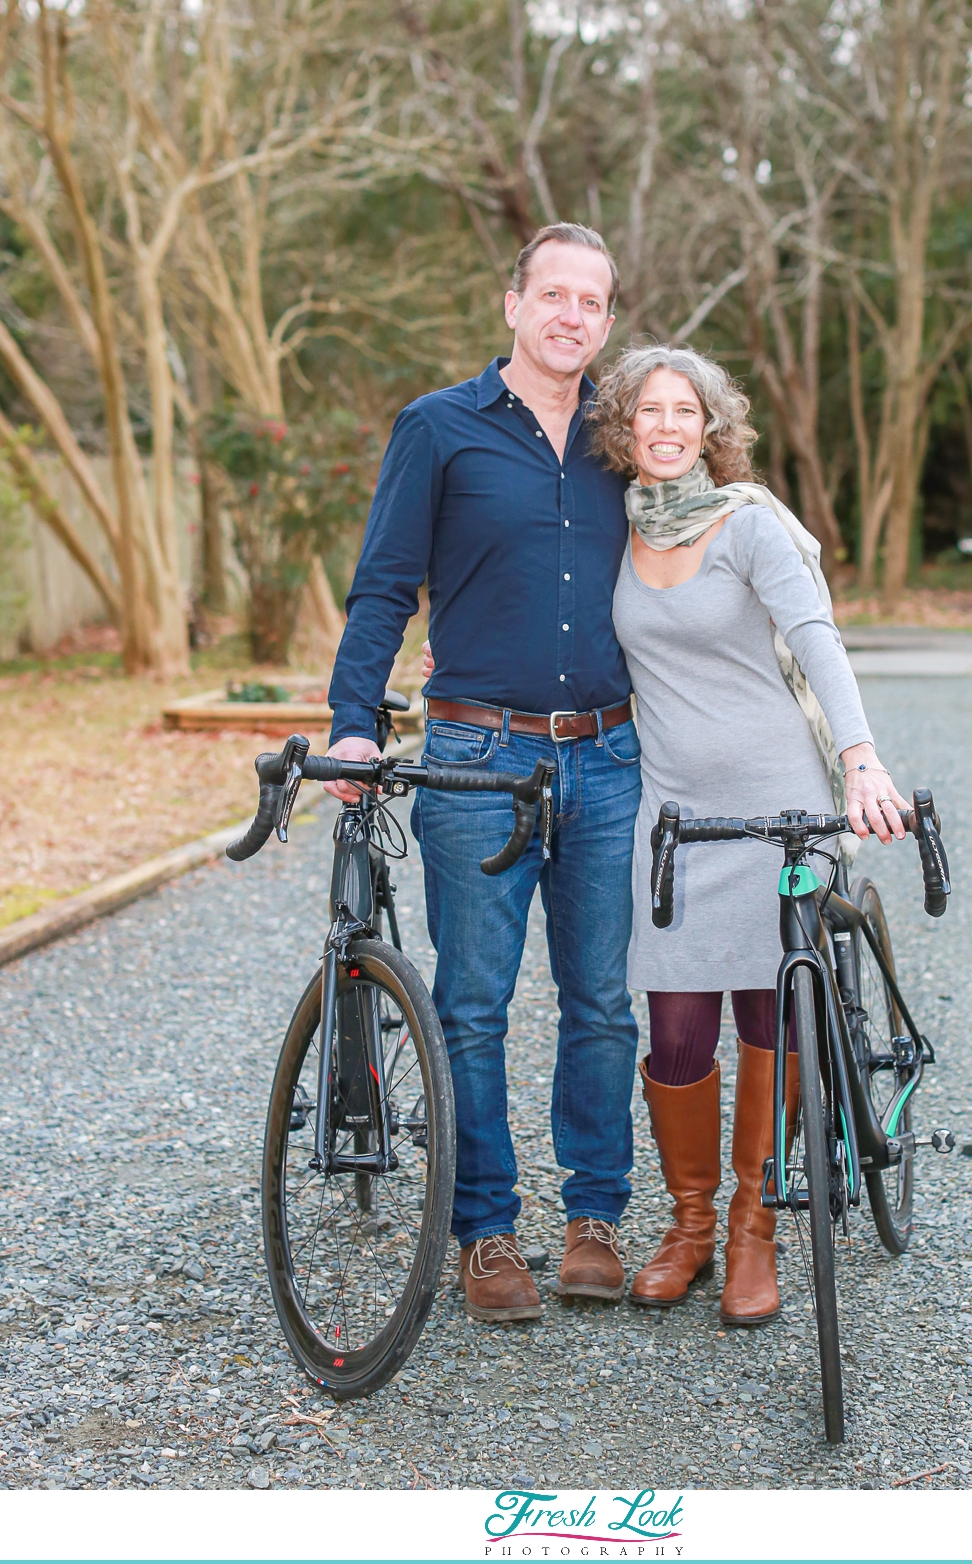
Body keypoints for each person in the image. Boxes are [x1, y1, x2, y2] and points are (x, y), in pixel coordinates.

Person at [324, 223, 642, 1324]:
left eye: (590, 302)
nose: (570, 316)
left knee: (602, 1001)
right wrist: (354, 724)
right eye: (551, 294)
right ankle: (486, 1231)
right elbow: (383, 588)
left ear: (607, 320)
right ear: (512, 304)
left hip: (608, 750)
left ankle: (597, 1215)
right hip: (476, 755)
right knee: (472, 1004)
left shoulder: (624, 436)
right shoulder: (439, 428)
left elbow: (708, 547)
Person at [588, 344, 906, 1326]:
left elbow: (816, 636)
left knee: (773, 1017)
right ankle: (689, 1224)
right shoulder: (613, 530)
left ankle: (755, 1223)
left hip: (779, 809)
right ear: (625, 429)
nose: (670, 426)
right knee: (676, 1033)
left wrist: (860, 760)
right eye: (651, 411)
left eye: (687, 411)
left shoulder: (751, 523)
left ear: (711, 428)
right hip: (676, 819)